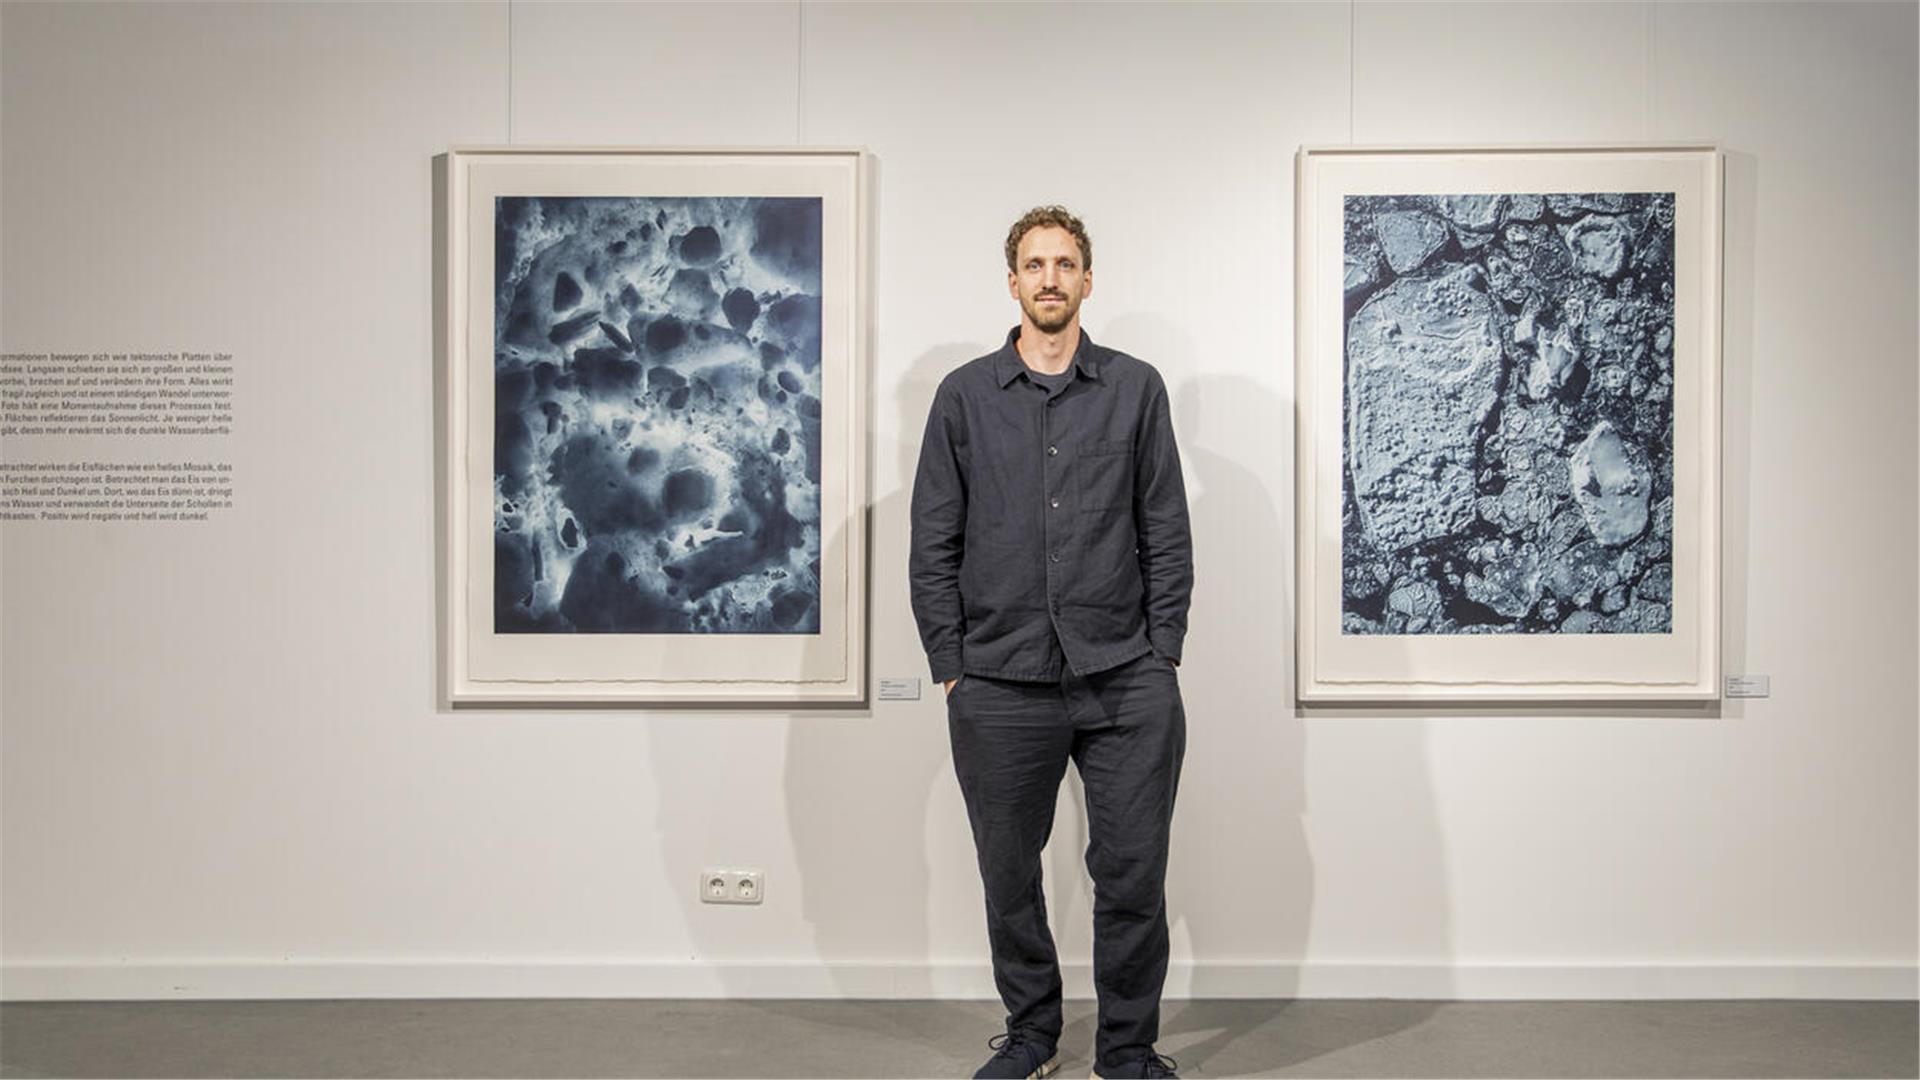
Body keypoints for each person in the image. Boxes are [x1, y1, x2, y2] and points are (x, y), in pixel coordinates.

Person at [909, 205, 1194, 1080]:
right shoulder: (963, 398)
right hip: (998, 679)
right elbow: (932, 542)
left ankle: (1126, 1051)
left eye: (1064, 263)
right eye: (1034, 264)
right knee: (1007, 874)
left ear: (1087, 280)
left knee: (1133, 876)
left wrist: (1164, 650)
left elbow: (1166, 530)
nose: (1049, 278)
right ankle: (1032, 1034)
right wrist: (952, 668)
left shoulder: (1136, 388)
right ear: (1012, 281)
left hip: (1124, 676)